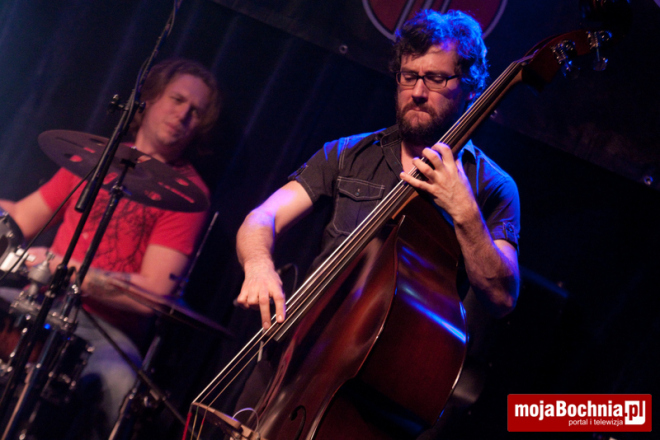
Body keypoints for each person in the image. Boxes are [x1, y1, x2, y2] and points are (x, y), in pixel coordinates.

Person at [233, 8, 520, 437]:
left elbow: (501, 295)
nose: (417, 92)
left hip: (376, 383)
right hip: (296, 353)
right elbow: (262, 217)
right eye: (408, 76)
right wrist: (258, 265)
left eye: (435, 78)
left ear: (471, 88)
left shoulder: (493, 187)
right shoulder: (347, 153)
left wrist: (464, 212)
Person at [0, 57, 220, 438]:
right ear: (149, 98)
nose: (184, 115)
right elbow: (22, 217)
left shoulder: (188, 195)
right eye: (177, 99)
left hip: (104, 330)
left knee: (119, 386)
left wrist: (63, 269)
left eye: (196, 111)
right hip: (41, 302)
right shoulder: (94, 157)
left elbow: (152, 293)